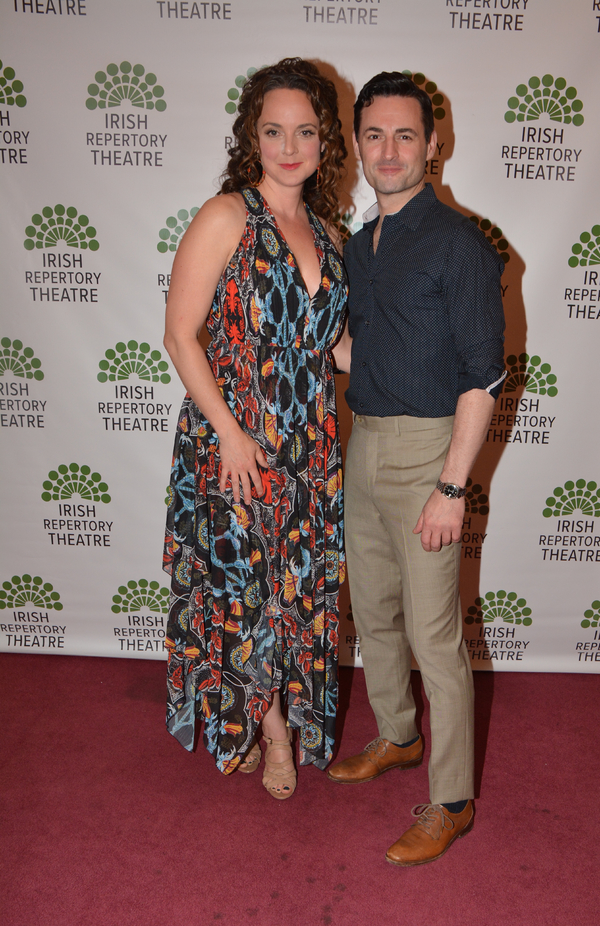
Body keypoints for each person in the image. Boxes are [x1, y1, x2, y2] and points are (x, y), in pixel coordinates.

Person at [327, 72, 506, 863]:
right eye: (374, 135)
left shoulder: (459, 243)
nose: (389, 150)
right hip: (362, 444)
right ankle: (397, 736)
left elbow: (483, 377)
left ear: (434, 145)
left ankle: (452, 799)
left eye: (406, 135)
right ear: (359, 145)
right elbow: (368, 349)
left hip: (430, 453)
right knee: (374, 615)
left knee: (436, 638)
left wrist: (449, 487)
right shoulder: (365, 242)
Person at [162, 58, 348, 800]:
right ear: (252, 136)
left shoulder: (331, 233)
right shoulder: (227, 216)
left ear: (326, 140)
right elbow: (181, 335)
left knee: (294, 588)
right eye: (274, 130)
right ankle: (267, 730)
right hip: (234, 440)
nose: (289, 145)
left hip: (311, 445)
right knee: (245, 588)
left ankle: (263, 713)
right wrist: (231, 434)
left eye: (305, 130)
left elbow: (333, 347)